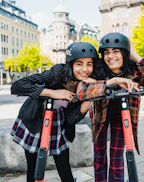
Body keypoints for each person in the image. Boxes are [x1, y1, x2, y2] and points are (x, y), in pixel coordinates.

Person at [76, 32, 144, 182]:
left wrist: (135, 55)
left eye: (116, 51)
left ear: (125, 53)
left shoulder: (134, 69)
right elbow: (82, 90)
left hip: (123, 116)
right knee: (99, 157)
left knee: (117, 157)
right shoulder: (98, 68)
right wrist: (112, 82)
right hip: (100, 115)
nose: (111, 56)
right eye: (107, 52)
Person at [10, 42, 98, 182]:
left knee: (64, 168)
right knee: (34, 167)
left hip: (59, 122)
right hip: (36, 119)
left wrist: (89, 98)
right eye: (79, 64)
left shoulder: (87, 83)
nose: (85, 69)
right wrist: (52, 92)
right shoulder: (58, 73)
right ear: (71, 64)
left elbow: (71, 119)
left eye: (89, 64)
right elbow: (17, 86)